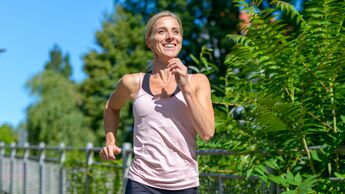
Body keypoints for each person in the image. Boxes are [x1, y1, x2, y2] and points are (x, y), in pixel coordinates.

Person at [99, 10, 215, 194]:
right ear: (149, 41)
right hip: (141, 182)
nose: (170, 37)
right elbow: (111, 107)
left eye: (175, 31)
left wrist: (185, 88)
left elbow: (207, 132)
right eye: (162, 31)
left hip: (184, 184)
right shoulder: (132, 83)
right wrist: (110, 141)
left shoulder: (198, 81)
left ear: (181, 39)